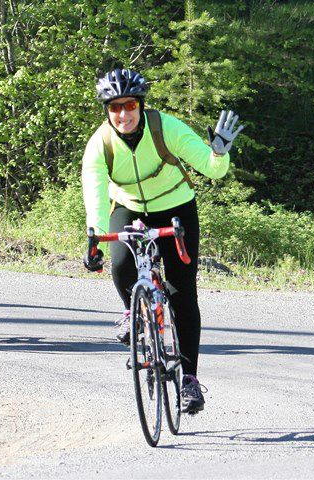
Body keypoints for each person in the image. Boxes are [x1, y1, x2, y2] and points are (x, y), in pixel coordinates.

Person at [81, 68, 243, 414]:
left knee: (183, 291)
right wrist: (94, 236)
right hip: (129, 207)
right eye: (114, 107)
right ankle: (132, 311)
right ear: (106, 110)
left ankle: (190, 380)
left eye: (129, 106)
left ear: (140, 105)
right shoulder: (100, 144)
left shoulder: (165, 127)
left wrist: (218, 152)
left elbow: (212, 169)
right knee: (120, 266)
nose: (122, 114)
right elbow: (94, 193)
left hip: (176, 206)